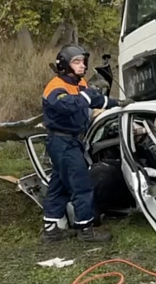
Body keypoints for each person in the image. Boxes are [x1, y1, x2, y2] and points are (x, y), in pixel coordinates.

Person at [41, 45, 126, 243]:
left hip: (70, 141)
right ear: (64, 65)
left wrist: (120, 103)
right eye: (76, 62)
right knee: (81, 185)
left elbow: (96, 100)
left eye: (83, 62)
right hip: (62, 141)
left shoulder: (81, 83)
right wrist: (87, 96)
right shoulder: (55, 87)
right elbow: (67, 105)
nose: (82, 66)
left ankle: (51, 229)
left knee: (59, 184)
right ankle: (86, 229)